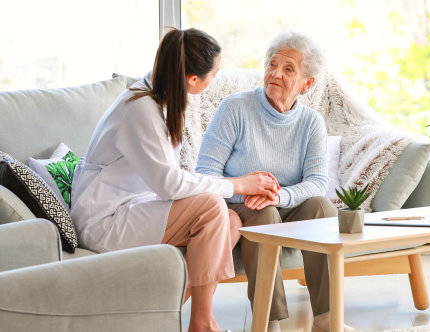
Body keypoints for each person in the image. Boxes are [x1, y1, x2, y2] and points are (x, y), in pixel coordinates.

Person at [70, 28, 280, 332]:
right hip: (105, 221)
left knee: (231, 221)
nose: (215, 80)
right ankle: (202, 324)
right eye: (214, 73)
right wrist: (238, 184)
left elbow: (170, 179)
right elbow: (169, 184)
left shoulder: (160, 97)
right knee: (211, 208)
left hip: (134, 208)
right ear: (193, 79)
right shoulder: (140, 109)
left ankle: (157, 312)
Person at [196, 31, 356, 332]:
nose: (275, 74)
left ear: (307, 83)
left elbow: (317, 182)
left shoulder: (310, 123)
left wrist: (278, 196)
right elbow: (206, 174)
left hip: (284, 203)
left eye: (288, 69)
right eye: (272, 64)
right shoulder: (235, 108)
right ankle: (269, 321)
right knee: (264, 214)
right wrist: (247, 189)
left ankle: (326, 317)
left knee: (321, 207)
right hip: (242, 204)